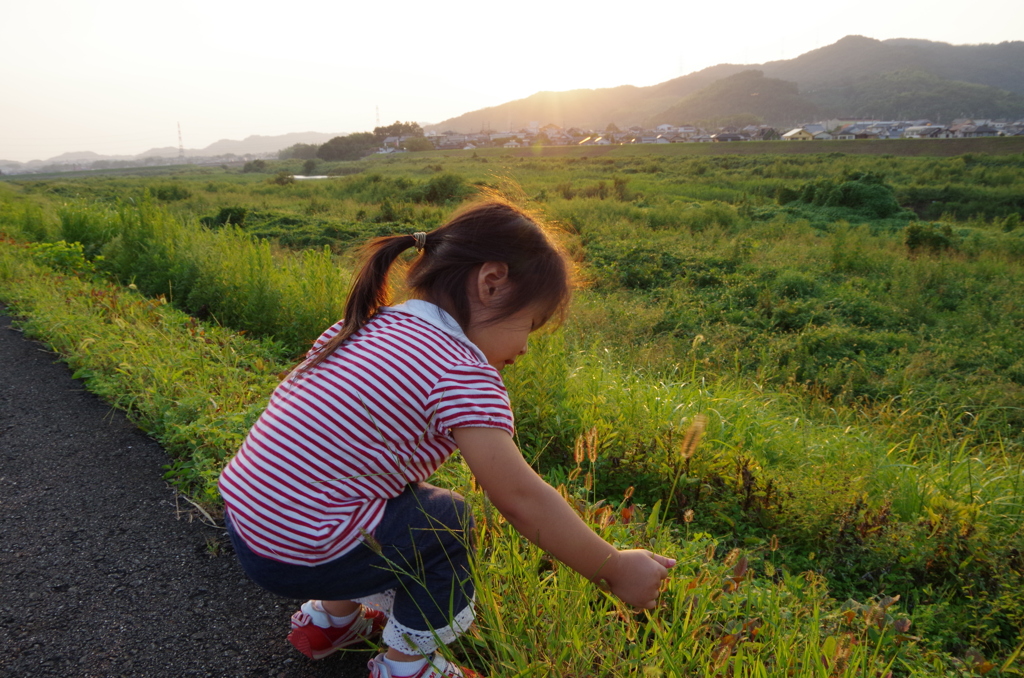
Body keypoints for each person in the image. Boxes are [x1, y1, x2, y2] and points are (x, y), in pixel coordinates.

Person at [218, 197, 675, 678]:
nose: (523, 348)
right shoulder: (460, 370)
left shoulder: (364, 324)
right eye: (530, 326)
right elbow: (520, 497)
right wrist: (613, 568)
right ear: (491, 282)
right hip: (305, 550)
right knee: (446, 522)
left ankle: (331, 621)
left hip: (252, 530)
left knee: (377, 493)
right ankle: (407, 666)